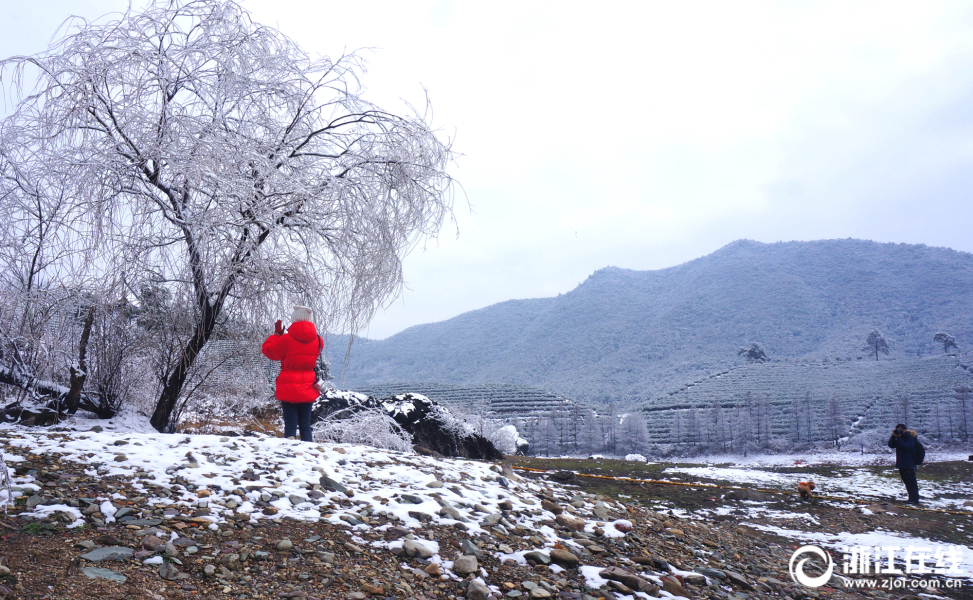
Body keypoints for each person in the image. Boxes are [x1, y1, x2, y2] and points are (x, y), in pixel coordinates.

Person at [261, 305, 323, 442]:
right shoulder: (318, 340)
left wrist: (277, 335)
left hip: (288, 386)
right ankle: (308, 455)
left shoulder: (286, 339)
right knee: (305, 425)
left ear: (294, 319)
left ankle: (290, 455)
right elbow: (317, 353)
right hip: (308, 385)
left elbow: (268, 350)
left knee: (290, 425)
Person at [887, 423, 920, 504]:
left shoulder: (910, 438)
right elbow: (891, 445)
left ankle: (914, 499)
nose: (899, 432)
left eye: (900, 430)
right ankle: (911, 498)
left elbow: (905, 447)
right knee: (906, 481)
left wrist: (899, 438)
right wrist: (893, 436)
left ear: (905, 430)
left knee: (911, 482)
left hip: (908, 463)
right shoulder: (900, 437)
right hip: (902, 463)